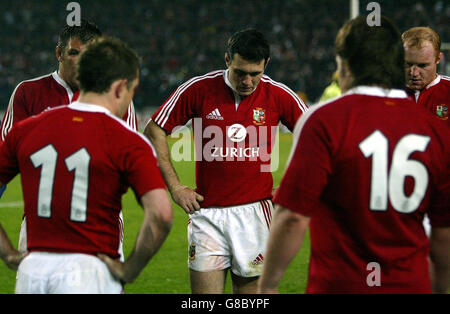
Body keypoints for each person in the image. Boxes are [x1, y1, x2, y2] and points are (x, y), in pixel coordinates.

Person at [258, 16, 450, 294]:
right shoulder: (434, 129)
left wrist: (267, 287)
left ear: (344, 64)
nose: (415, 71)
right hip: (409, 284)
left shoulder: (324, 120)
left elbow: (292, 217)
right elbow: (443, 234)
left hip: (340, 284)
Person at [0, 36, 173, 294]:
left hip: (32, 272)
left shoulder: (28, 130)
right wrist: (131, 269)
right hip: (91, 271)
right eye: (132, 89)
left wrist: (8, 254)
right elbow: (161, 215)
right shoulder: (128, 141)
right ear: (119, 87)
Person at [144, 28, 308, 294]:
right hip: (206, 214)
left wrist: (292, 187)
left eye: (255, 74)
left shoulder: (278, 95)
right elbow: (154, 130)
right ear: (227, 60)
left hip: (255, 213)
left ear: (266, 64)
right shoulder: (199, 89)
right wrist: (175, 187)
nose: (247, 81)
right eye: (240, 72)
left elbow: (318, 138)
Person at [0, 20, 138, 256]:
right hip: (40, 224)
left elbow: (130, 163)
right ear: (59, 53)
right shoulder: (28, 93)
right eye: (74, 53)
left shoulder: (117, 97)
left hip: (100, 224)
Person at [402, 26, 450, 126]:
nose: (414, 73)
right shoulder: (387, 93)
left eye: (422, 65)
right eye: (408, 64)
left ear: (438, 58)